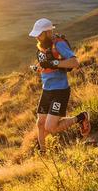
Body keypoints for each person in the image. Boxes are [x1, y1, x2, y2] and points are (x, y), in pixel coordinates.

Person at [29, 18, 90, 153]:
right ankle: (43, 154)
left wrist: (54, 63)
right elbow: (47, 65)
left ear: (48, 32)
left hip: (60, 91)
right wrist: (40, 68)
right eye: (36, 35)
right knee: (40, 124)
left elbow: (74, 62)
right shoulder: (42, 46)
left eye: (39, 34)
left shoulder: (59, 44)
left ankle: (81, 117)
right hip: (46, 90)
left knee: (51, 127)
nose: (37, 38)